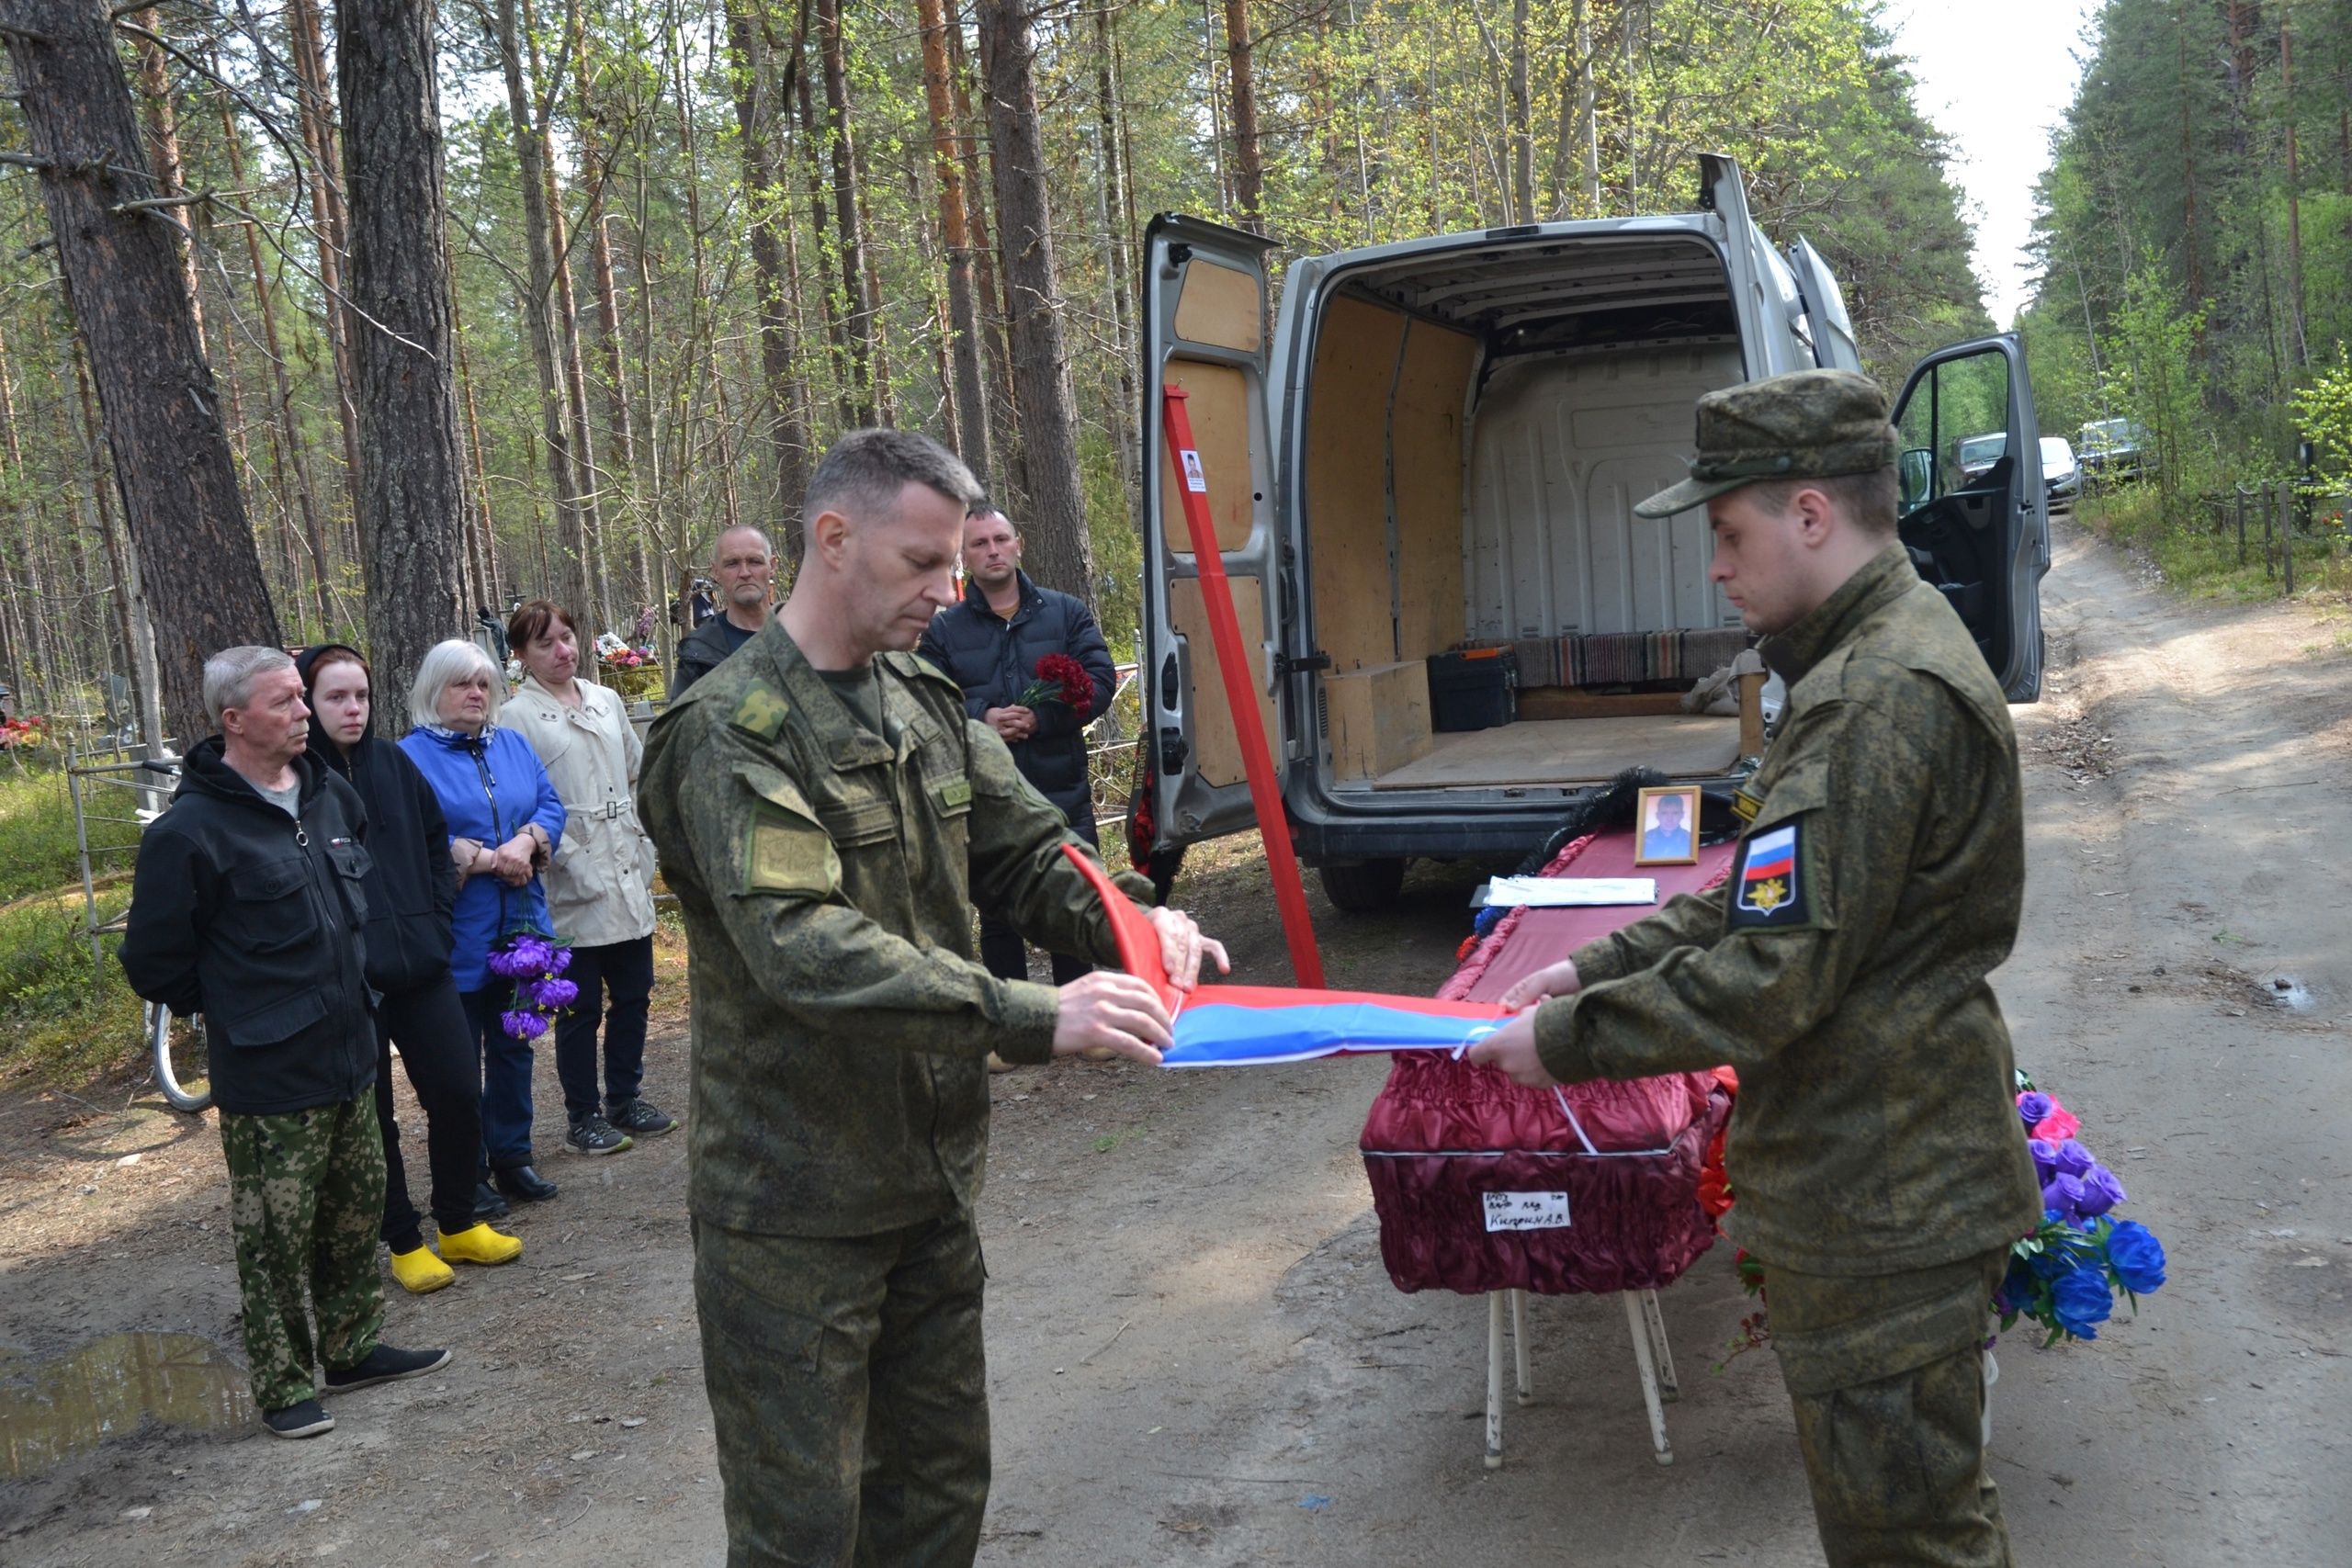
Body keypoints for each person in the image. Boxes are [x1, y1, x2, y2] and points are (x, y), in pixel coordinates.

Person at [1468, 369, 2042, 1568]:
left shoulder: (1876, 695)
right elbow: (1765, 891)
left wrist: (1566, 1046)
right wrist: (1592, 970)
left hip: (1885, 1192)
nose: (1717, 566)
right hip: (1875, 1172)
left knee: (1910, 1538)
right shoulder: (1866, 661)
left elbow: (1776, 972)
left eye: (1730, 532)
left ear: (1812, 515)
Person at [639, 429, 1227, 1566]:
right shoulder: (730, 730)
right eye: (922, 563)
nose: (950, 590)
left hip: (928, 1179)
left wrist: (1129, 921)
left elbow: (1023, 849)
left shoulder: (917, 698)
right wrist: (1031, 1016)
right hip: (795, 1209)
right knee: (805, 1528)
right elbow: (803, 947)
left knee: (938, 1498)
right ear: (833, 539)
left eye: (957, 561)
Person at [120, 647, 449, 1439]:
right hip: (272, 1075)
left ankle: (352, 1345)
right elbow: (154, 960)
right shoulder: (190, 832)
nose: (305, 712)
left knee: (351, 1214)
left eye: (304, 698)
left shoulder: (328, 795)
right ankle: (284, 1383)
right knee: (275, 1239)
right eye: (285, 702)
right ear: (234, 720)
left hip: (350, 1052)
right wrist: (239, 1006)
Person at [296, 645, 525, 1292]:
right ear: (308, 704)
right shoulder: (298, 780)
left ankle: (458, 1220)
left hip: (422, 965)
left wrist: (437, 922)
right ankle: (402, 1238)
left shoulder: (393, 763)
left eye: (361, 695)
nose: (352, 709)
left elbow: (433, 841)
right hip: (352, 982)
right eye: (336, 697)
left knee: (457, 1092)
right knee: (375, 1117)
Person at [918, 505, 1117, 994]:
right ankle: (1014, 1020)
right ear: (963, 557)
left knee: (1072, 895)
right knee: (998, 909)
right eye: (979, 544)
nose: (993, 550)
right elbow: (924, 696)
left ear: (1018, 543)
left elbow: (1099, 680)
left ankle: (1079, 1008)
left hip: (1059, 785)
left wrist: (1043, 717)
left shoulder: (1065, 612)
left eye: (1000, 539)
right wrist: (982, 718)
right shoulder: (945, 631)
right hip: (986, 792)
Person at [399, 640, 570, 1212]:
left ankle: (512, 1156)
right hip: (457, 935)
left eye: (483, 684)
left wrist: (527, 840)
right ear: (432, 691)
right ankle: (466, 1172)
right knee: (457, 1064)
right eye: (460, 684)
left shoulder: (514, 745)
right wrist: (484, 858)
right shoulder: (409, 760)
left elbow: (550, 805)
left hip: (522, 928)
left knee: (515, 1043)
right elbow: (407, 838)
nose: (475, 693)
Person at [503, 600, 675, 1157]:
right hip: (569, 870)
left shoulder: (605, 700)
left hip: (624, 857)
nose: (563, 650)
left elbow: (635, 768)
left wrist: (646, 836)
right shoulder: (516, 717)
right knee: (577, 1004)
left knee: (634, 993)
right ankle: (583, 1114)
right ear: (522, 656)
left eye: (567, 638)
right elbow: (519, 797)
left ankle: (625, 1097)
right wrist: (563, 850)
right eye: (546, 643)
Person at [669, 527, 775, 697]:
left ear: (772, 566)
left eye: (755, 561)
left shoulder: (807, 637)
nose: (745, 573)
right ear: (716, 572)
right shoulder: (698, 653)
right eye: (732, 563)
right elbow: (681, 723)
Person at [1640, 791, 1693, 862]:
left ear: (1682, 815)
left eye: (1675, 813)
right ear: (1657, 815)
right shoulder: (1645, 838)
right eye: (1664, 813)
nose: (1669, 819)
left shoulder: (1690, 839)